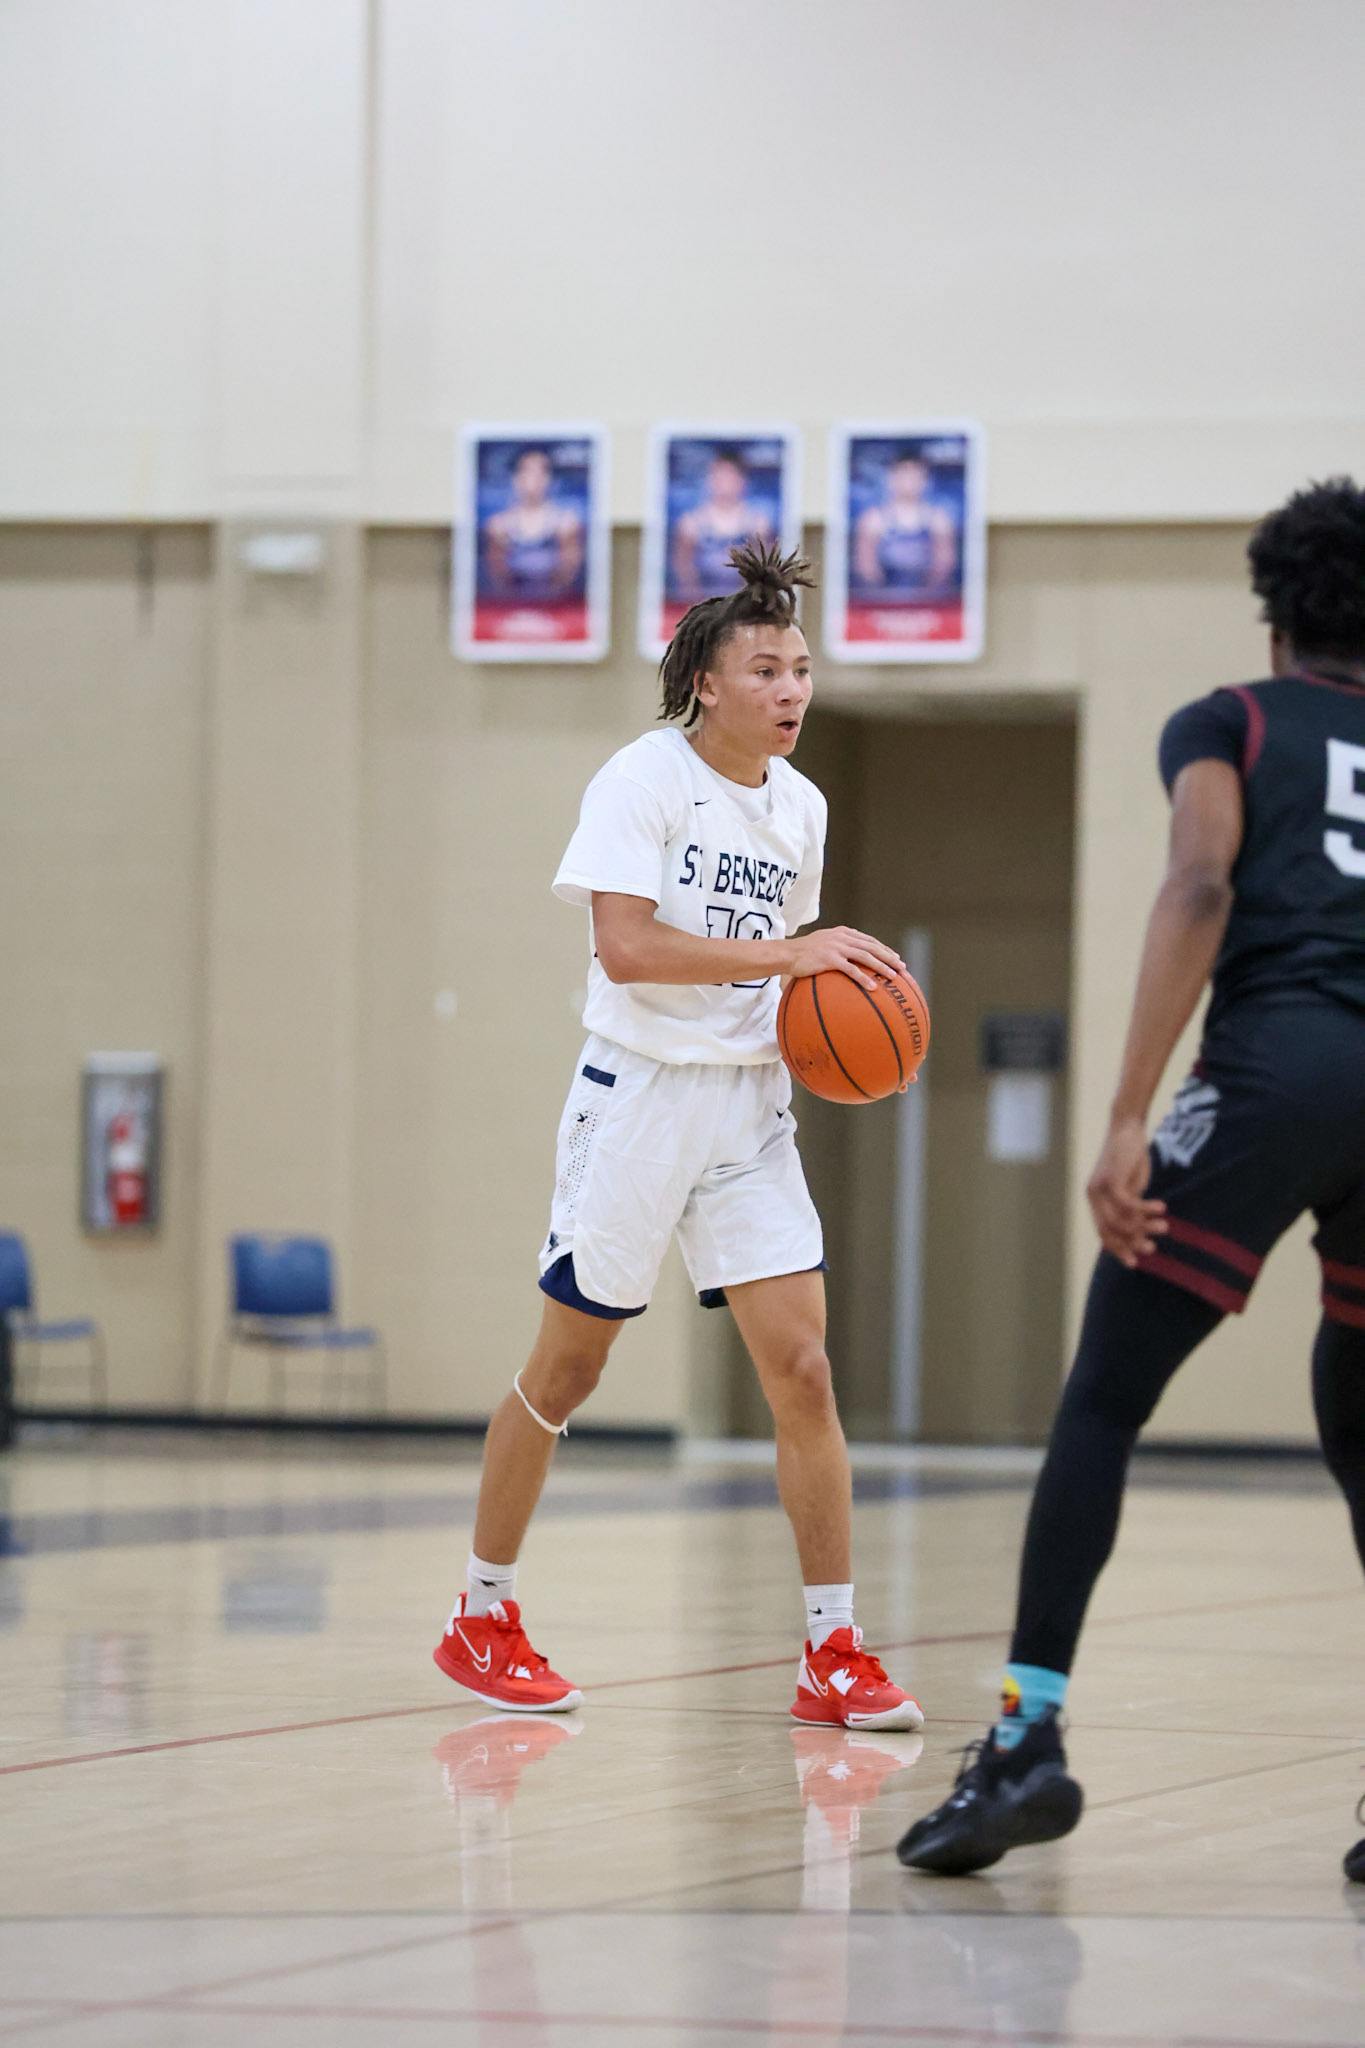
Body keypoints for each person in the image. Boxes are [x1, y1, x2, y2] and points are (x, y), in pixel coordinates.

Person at [897, 477, 1365, 1881]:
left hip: (1278, 1067)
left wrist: (1123, 1115)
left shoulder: (1231, 719)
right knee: (1357, 1417)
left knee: (1103, 1393)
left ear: (1274, 617)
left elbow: (1200, 888)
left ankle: (1024, 1739)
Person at [433, 539, 923, 1732]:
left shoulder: (800, 806)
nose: (793, 689)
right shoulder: (640, 780)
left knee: (803, 1369)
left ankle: (833, 1648)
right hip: (640, 1094)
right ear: (708, 680)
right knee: (570, 1366)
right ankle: (480, 1612)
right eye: (768, 668)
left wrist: (828, 1019)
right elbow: (629, 948)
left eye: (802, 668)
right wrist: (790, 955)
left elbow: (794, 986)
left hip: (749, 1108)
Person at [670, 449, 775, 603]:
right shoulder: (691, 523)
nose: (724, 484)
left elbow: (766, 568)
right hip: (703, 600)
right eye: (718, 477)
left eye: (729, 477)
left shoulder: (757, 523)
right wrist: (696, 602)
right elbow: (683, 567)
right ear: (709, 480)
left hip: (744, 600)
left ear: (742, 481)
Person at [485, 447, 583, 595]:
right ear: (515, 478)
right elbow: (498, 573)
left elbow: (569, 570)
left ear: (549, 479)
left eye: (540, 472)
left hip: (556, 602)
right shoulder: (499, 525)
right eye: (526, 471)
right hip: (511, 603)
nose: (532, 479)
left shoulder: (565, 522)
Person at [852, 455, 956, 596]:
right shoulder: (874, 519)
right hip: (883, 596)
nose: (909, 482)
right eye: (904, 475)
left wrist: (928, 593)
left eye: (915, 476)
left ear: (925, 481)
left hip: (928, 596)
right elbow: (865, 563)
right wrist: (881, 594)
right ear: (892, 479)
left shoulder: (938, 518)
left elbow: (944, 562)